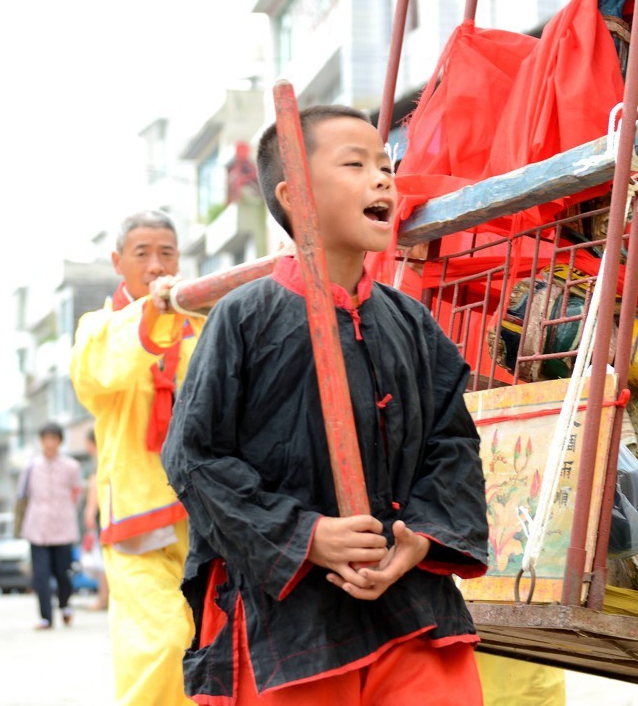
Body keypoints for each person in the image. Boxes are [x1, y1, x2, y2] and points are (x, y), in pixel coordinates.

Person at [161, 105, 489, 704]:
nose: (383, 178)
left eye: (386, 165)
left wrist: (420, 534)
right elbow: (195, 459)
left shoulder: (411, 322)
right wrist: (306, 535)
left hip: (410, 602)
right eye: (356, 164)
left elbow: (454, 444)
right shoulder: (245, 316)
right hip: (290, 618)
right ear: (296, 196)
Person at [71, 210, 200, 706]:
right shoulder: (98, 328)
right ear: (116, 261)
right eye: (142, 253)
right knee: (159, 643)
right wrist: (158, 312)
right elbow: (105, 370)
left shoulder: (198, 317)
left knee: (204, 639)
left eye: (166, 252)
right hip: (136, 510)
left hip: (205, 509)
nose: (155, 264)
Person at [20, 420, 82, 629]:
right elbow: (23, 495)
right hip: (37, 527)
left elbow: (76, 493)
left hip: (63, 527)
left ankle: (65, 604)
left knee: (62, 572)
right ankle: (46, 617)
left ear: (59, 441)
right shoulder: (31, 467)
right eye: (46, 439)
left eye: (53, 439)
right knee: (40, 575)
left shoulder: (71, 466)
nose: (49, 443)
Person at [82, 427, 109, 611]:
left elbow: (95, 485)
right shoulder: (110, 454)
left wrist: (90, 510)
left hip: (104, 514)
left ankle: (104, 597)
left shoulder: (100, 460)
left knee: (106, 558)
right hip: (114, 512)